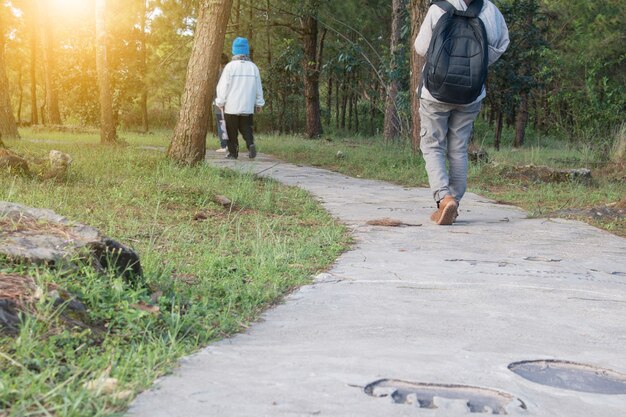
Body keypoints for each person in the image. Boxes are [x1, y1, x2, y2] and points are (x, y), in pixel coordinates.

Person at [414, 0, 509, 225]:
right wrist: (475, 65)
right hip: (471, 93)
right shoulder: (490, 10)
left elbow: (421, 47)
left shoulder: (439, 8)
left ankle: (444, 198)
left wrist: (444, 63)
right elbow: (501, 44)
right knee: (458, 148)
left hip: (435, 92)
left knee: (432, 144)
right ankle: (453, 200)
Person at [215, 37, 265, 159]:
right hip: (247, 106)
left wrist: (220, 101)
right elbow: (259, 87)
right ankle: (250, 144)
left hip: (231, 106)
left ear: (234, 51)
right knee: (246, 128)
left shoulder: (230, 67)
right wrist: (259, 104)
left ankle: (233, 153)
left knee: (231, 130)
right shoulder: (253, 67)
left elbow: (222, 87)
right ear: (246, 51)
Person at [214, 53, 230, 153]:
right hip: (231, 102)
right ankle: (231, 145)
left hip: (219, 101)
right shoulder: (230, 71)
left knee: (221, 123)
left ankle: (224, 146)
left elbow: (214, 88)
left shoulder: (218, 72)